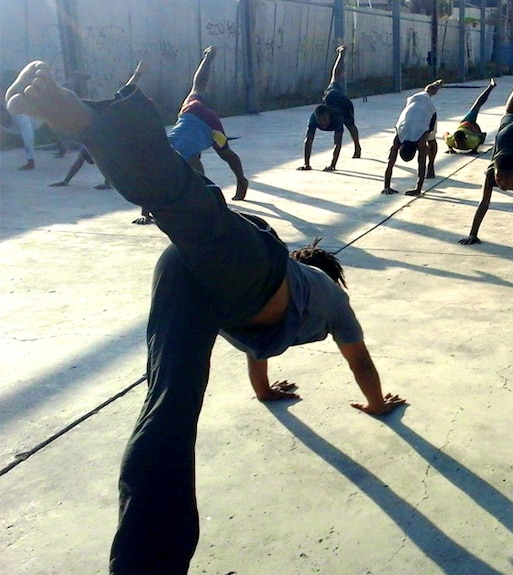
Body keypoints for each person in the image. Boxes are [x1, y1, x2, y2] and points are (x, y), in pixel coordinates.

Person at [6, 60, 405, 575]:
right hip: (250, 270)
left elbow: (257, 355)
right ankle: (91, 122)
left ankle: (142, 565)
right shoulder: (328, 293)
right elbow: (360, 364)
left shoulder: (292, 306)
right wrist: (377, 405)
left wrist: (264, 391)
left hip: (195, 278)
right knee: (189, 211)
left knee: (167, 404)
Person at [459, 58, 513, 249]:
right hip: (506, 138)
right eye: (500, 179)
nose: (502, 184)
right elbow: (483, 203)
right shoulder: (490, 175)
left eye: (507, 179)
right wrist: (473, 234)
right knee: (510, 111)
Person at [167, 45, 249, 201]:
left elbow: (203, 184)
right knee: (197, 88)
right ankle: (208, 57)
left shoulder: (187, 156)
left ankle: (241, 180)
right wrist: (145, 213)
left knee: (224, 153)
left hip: (209, 124)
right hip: (188, 113)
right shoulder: (163, 151)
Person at [51, 62, 148, 190]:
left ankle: (109, 182)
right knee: (88, 155)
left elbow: (128, 88)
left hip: (108, 133)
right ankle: (76, 180)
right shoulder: (93, 133)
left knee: (108, 157)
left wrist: (138, 73)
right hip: (100, 131)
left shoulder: (109, 115)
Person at [298, 45, 361, 171]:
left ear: (329, 116)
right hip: (330, 97)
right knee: (335, 78)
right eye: (321, 121)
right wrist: (306, 163)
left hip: (342, 103)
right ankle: (341, 55)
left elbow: (337, 144)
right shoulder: (313, 119)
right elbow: (308, 141)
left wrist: (333, 165)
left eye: (324, 121)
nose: (323, 123)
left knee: (350, 125)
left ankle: (357, 146)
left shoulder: (337, 118)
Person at [381, 78, 443, 196]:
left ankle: (432, 165)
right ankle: (436, 85)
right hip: (413, 103)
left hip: (428, 111)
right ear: (401, 146)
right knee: (428, 91)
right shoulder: (399, 137)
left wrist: (418, 189)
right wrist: (386, 187)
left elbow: (421, 165)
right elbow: (390, 163)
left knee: (431, 139)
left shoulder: (419, 141)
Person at [443, 77, 496, 154]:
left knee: (477, 106)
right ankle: (491, 86)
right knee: (476, 106)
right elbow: (445, 134)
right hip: (464, 128)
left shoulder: (472, 142)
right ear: (454, 140)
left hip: (470, 124)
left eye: (461, 142)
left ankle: (491, 86)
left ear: (465, 139)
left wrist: (474, 150)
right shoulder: (450, 140)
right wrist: (450, 148)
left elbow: (480, 137)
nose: (459, 144)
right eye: (457, 142)